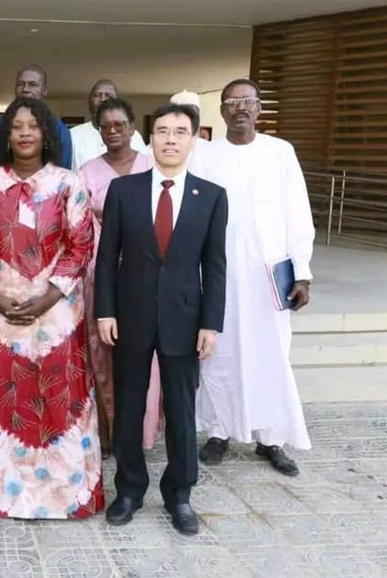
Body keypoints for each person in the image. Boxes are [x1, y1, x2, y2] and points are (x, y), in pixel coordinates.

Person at [0, 97, 103, 520]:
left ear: (47, 135)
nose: (23, 133)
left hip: (56, 317)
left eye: (32, 126)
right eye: (15, 126)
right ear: (5, 135)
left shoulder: (68, 184)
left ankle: (62, 495)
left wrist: (49, 297)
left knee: (58, 401)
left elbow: (80, 247)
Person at [95, 103, 228, 535]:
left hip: (185, 320)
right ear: (149, 138)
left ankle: (180, 495)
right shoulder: (124, 190)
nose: (171, 139)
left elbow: (216, 264)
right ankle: (130, 490)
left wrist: (211, 323)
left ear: (194, 140)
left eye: (181, 132)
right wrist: (105, 311)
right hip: (130, 316)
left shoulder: (210, 196)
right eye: (164, 131)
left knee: (182, 411)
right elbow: (106, 257)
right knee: (130, 408)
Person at [195, 79, 315, 476]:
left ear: (259, 109)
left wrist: (302, 271)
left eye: (248, 101)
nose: (241, 108)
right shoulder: (205, 156)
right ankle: (218, 432)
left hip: (269, 274)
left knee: (271, 356)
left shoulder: (280, 152)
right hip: (219, 273)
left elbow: (298, 212)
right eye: (232, 102)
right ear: (223, 111)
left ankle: (271, 439)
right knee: (219, 354)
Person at [78, 98, 162, 456]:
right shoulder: (87, 172)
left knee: (148, 354)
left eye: (120, 124)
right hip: (101, 273)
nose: (113, 131)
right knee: (103, 352)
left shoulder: (152, 166)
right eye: (106, 126)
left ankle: (143, 433)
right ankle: (108, 431)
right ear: (99, 131)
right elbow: (80, 226)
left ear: (132, 127)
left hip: (148, 274)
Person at [71, 79, 148, 170]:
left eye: (108, 95)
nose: (102, 99)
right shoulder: (73, 135)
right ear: (89, 101)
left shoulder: (134, 136)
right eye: (97, 95)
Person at [13, 65, 73, 169]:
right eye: (20, 84)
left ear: (44, 90)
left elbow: (62, 173)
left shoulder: (59, 130)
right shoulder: (0, 124)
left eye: (32, 85)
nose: (25, 89)